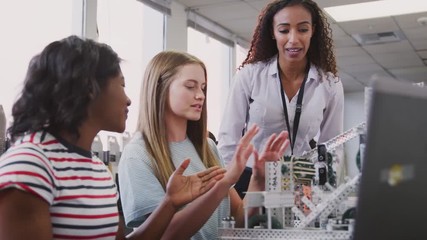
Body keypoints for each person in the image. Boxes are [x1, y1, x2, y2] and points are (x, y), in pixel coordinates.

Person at [0, 35, 227, 240]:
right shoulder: (29, 166)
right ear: (90, 88)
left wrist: (169, 204)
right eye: (121, 85)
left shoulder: (96, 169)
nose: (128, 100)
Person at [118, 51, 289, 240]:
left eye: (203, 88)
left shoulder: (207, 147)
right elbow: (161, 235)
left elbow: (238, 220)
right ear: (160, 89)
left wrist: (258, 180)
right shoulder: (138, 155)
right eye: (190, 87)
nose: (200, 95)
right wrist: (222, 185)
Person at [218, 0, 344, 198]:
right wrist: (227, 189)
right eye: (284, 30)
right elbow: (228, 140)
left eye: (302, 29)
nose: (293, 39)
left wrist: (327, 192)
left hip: (302, 181)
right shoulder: (250, 76)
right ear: (272, 32)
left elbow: (332, 147)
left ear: (313, 31)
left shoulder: (329, 84)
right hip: (251, 178)